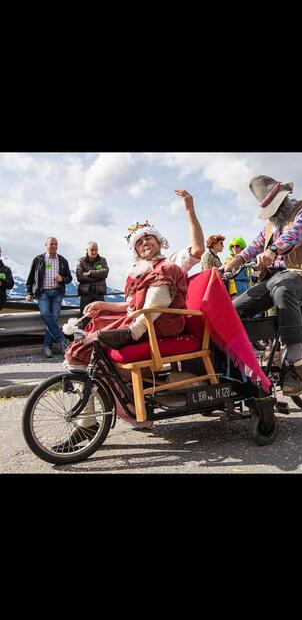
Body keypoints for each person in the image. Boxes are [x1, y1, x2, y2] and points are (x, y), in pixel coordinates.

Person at [52, 190, 204, 449]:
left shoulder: (171, 263)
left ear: (159, 241)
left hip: (159, 326)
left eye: (149, 239)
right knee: (82, 346)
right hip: (141, 319)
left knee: (100, 337)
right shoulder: (137, 271)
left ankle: (131, 336)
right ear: (135, 248)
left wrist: (189, 210)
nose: (145, 243)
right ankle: (88, 421)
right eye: (139, 242)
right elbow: (132, 304)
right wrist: (102, 304)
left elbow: (198, 248)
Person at [220, 175, 302, 397]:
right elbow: (253, 247)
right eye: (270, 210)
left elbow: (297, 232)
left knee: (282, 286)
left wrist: (274, 250)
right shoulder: (270, 227)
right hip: (276, 279)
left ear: (285, 197)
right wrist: (231, 264)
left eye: (276, 206)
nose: (275, 213)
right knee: (233, 309)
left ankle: (296, 366)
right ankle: (241, 369)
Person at [26, 237, 73, 358]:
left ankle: (47, 347)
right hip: (43, 293)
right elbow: (31, 278)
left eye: (56, 244)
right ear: (45, 245)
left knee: (53, 318)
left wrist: (62, 279)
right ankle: (62, 340)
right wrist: (29, 292)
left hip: (57, 292)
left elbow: (69, 278)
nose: (54, 246)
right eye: (51, 244)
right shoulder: (38, 259)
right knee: (46, 314)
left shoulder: (62, 260)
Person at [76, 242, 109, 326]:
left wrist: (90, 273)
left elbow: (105, 273)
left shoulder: (102, 260)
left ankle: (99, 337)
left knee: (101, 317)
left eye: (96, 250)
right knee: (86, 317)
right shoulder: (81, 261)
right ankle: (86, 337)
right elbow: (80, 277)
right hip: (86, 294)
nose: (94, 252)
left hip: (99, 293)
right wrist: (98, 276)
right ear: (87, 250)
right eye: (92, 250)